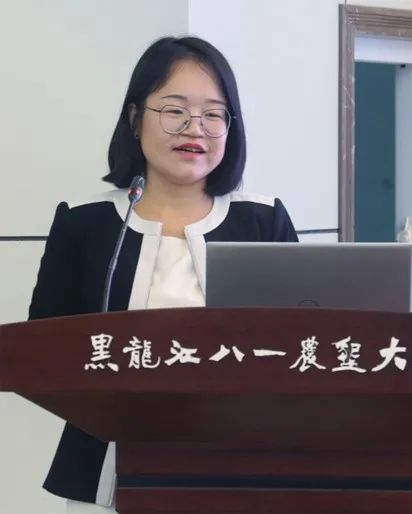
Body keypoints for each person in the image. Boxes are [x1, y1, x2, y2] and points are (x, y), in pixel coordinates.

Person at [28, 36, 298, 513]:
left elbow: (303, 344)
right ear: (135, 119)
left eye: (214, 114)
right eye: (175, 110)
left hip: (241, 469)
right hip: (108, 472)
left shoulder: (262, 221)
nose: (195, 128)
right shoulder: (86, 224)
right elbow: (42, 351)